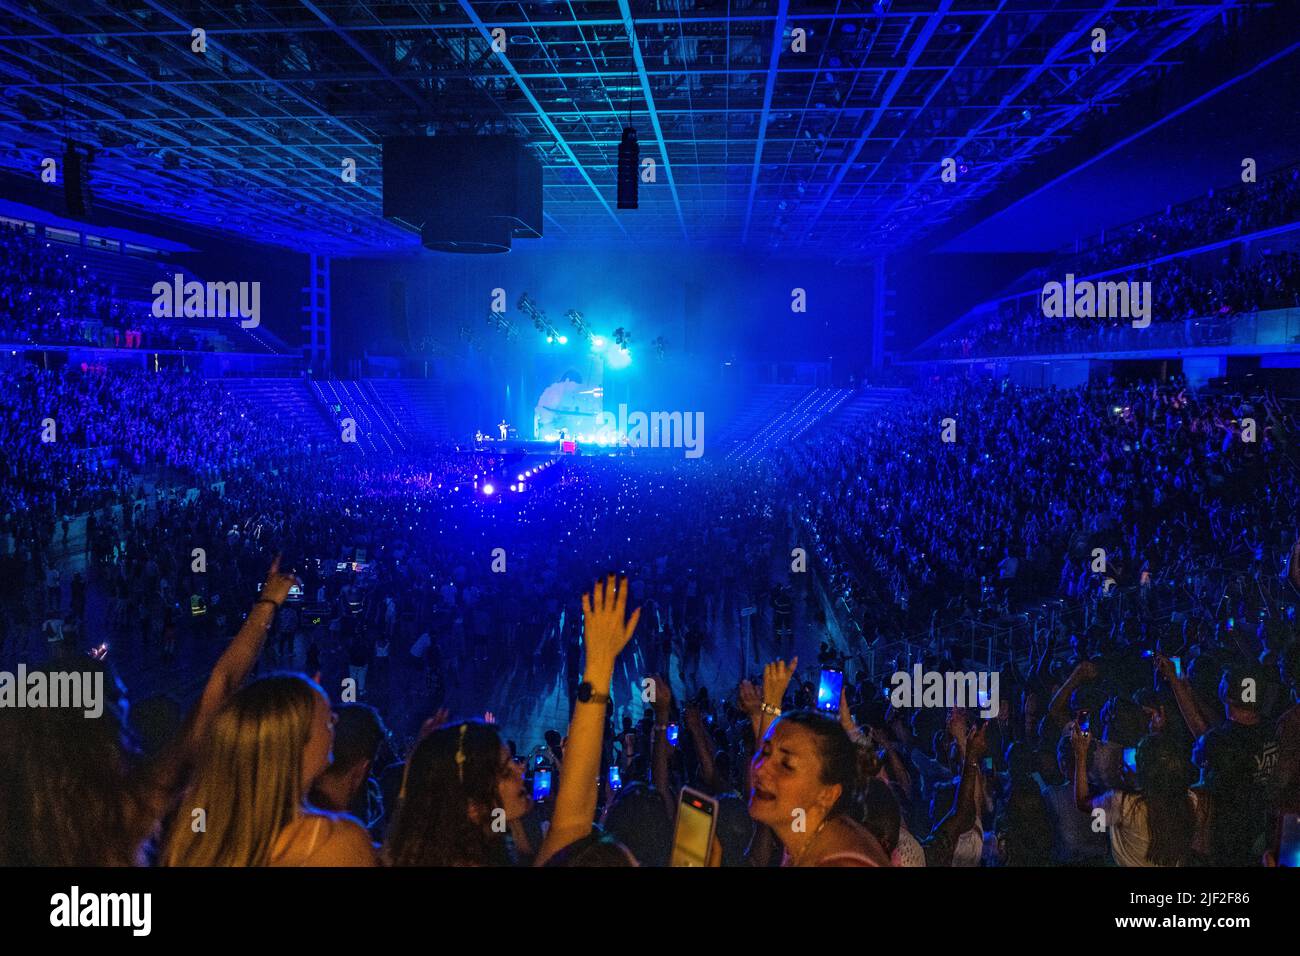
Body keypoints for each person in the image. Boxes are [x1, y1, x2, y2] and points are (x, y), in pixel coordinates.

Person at [161, 674, 375, 867]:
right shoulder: (337, 841)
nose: (336, 720)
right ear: (296, 743)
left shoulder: (197, 836)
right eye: (327, 719)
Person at [383, 718, 531, 866]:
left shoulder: (489, 832)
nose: (521, 770)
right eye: (506, 771)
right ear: (472, 806)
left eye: (514, 760)